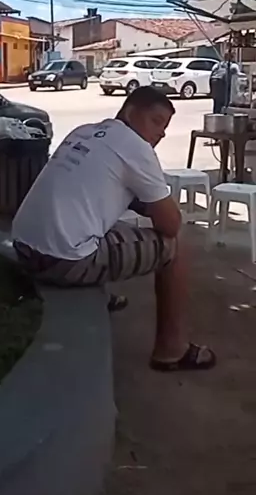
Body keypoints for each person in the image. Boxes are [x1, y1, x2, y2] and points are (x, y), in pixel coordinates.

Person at [12, 86, 215, 372]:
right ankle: (171, 349)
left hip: (24, 247)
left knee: (106, 225)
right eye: (156, 121)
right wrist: (156, 206)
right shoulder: (136, 147)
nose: (161, 133)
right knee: (176, 246)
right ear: (130, 112)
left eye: (165, 127)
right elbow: (171, 224)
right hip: (62, 262)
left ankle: (100, 292)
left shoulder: (84, 131)